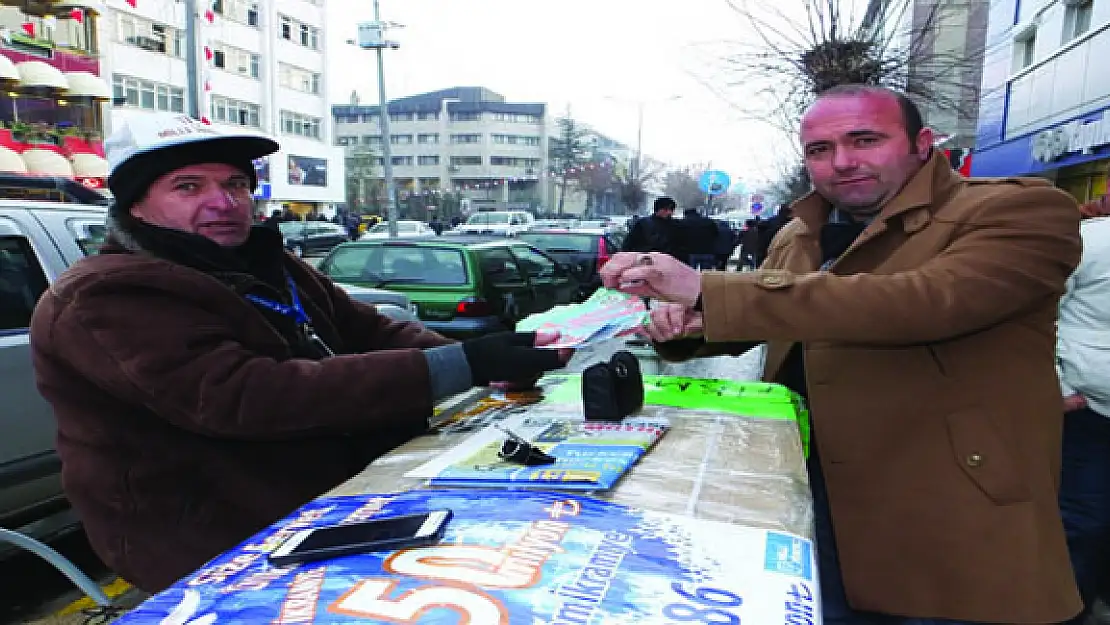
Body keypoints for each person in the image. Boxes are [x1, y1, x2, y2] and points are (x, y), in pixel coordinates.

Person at [600, 84, 1083, 624]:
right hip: (809, 493)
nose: (843, 162)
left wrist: (709, 290)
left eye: (866, 139)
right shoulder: (801, 231)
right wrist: (688, 325)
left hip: (946, 507)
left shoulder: (1021, 209)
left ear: (922, 144)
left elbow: (926, 302)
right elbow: (786, 316)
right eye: (820, 150)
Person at [29, 114, 570, 592]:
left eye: (236, 183)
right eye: (188, 187)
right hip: (213, 542)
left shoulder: (269, 265)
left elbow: (372, 330)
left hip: (324, 506)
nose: (223, 202)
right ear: (138, 207)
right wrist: (466, 365)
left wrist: (484, 357)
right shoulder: (107, 295)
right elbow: (244, 395)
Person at [1057, 193, 1110, 624]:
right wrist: (1057, 388)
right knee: (1081, 519)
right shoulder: (1086, 242)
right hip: (1088, 409)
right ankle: (1065, 611)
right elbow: (1040, 316)